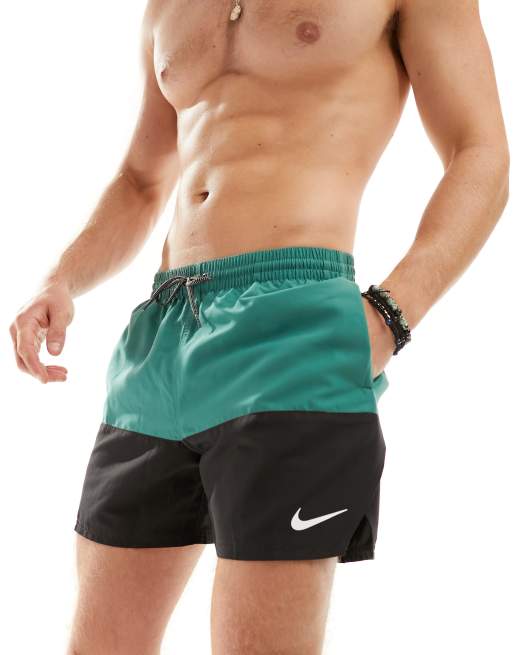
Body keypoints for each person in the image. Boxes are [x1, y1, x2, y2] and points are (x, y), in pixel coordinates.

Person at [9, 1, 509, 654]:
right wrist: (62, 278)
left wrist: (390, 315)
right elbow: (140, 180)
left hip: (296, 330)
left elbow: (480, 151)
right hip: (162, 338)